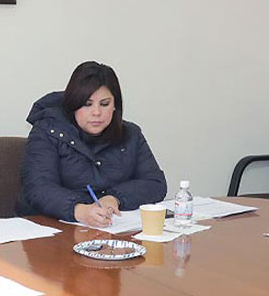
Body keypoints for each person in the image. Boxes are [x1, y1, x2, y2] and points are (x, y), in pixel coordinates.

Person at [17, 61, 167, 227]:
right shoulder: (47, 130)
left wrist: (115, 197)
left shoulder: (131, 134)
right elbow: (39, 188)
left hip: (112, 230)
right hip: (51, 229)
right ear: (73, 105)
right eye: (87, 104)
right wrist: (79, 210)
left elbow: (155, 183)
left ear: (115, 105)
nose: (97, 112)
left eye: (104, 104)